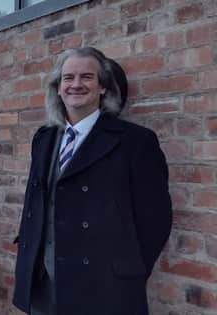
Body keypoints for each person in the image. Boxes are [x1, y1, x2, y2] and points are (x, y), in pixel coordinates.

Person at [13, 47, 172, 315]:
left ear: (102, 88)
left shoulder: (135, 141)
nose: (76, 85)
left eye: (86, 77)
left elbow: (155, 219)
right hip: (44, 284)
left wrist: (126, 274)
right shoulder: (44, 138)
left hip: (103, 289)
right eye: (68, 78)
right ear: (59, 88)